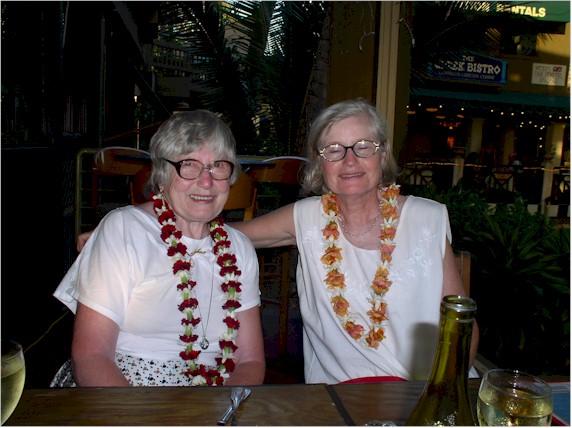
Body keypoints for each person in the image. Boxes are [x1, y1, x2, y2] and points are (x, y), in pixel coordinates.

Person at [78, 98, 479, 384]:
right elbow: (213, 231)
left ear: (383, 153)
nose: (350, 160)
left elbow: (464, 326)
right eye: (334, 149)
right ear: (319, 162)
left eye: (364, 147)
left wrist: (444, 391)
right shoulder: (309, 217)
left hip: (430, 387)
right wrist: (139, 223)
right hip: (343, 394)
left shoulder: (426, 218)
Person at [53, 110, 265, 387]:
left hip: (213, 396)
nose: (206, 181)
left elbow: (250, 361)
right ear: (162, 176)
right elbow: (91, 356)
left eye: (218, 165)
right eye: (188, 165)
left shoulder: (239, 249)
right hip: (122, 392)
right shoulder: (125, 230)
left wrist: (226, 406)